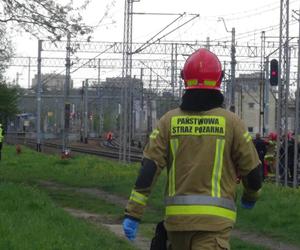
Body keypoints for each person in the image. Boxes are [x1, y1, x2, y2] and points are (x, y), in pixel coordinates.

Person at [122, 48, 262, 250]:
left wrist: (133, 213)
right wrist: (251, 196)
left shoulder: (168, 121)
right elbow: (252, 172)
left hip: (176, 227)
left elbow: (149, 169)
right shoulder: (232, 123)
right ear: (219, 80)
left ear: (184, 79)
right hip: (214, 228)